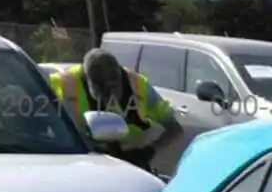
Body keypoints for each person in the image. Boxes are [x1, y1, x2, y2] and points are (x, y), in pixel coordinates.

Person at [49, 48, 177, 171]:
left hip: (131, 163)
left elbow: (175, 128)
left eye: (114, 90)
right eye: (103, 94)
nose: (109, 100)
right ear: (87, 80)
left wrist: (149, 151)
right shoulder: (61, 84)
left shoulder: (138, 85)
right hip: (80, 162)